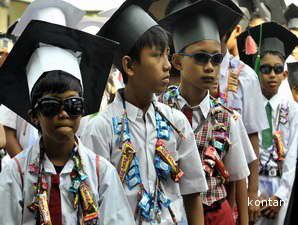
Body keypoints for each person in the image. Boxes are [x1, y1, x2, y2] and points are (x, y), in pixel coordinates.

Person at [0, 15, 135, 225]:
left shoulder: (101, 172)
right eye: (51, 106)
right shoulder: (15, 172)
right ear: (33, 115)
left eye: (73, 105)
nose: (63, 114)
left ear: (82, 110)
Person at [81, 1, 208, 225]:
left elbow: (192, 193)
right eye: (157, 55)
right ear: (130, 66)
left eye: (168, 55)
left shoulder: (176, 123)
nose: (168, 65)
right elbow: (92, 199)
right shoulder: (101, 128)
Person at [159, 0, 251, 224]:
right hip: (172, 214)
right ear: (178, 61)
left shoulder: (226, 118)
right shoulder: (159, 110)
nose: (210, 67)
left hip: (216, 214)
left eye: (216, 59)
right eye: (200, 58)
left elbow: (238, 180)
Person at [237, 21, 298, 225]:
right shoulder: (245, 108)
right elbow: (240, 153)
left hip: (281, 188)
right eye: (266, 68)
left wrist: (280, 197)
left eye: (277, 69)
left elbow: (292, 158)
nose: (272, 74)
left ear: (285, 74)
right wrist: (249, 193)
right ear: (256, 72)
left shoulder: (293, 110)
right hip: (250, 190)